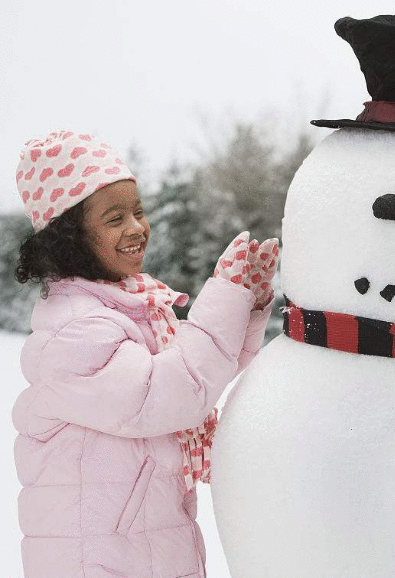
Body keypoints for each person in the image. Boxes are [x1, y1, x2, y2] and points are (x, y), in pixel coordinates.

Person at [12, 130, 278, 578]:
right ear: (69, 238)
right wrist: (226, 296)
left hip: (147, 546)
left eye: (137, 211)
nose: (136, 228)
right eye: (114, 218)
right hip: (98, 561)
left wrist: (245, 305)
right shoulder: (75, 330)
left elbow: (200, 378)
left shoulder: (133, 310)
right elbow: (168, 396)